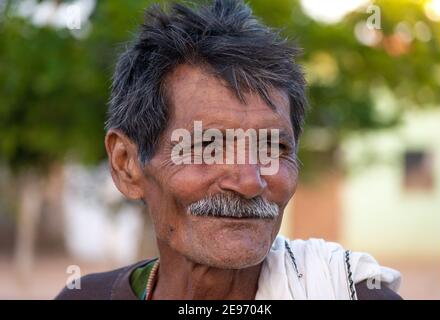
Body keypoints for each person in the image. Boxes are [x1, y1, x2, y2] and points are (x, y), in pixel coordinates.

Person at [56, 0, 401, 300]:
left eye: (272, 147)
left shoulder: (347, 292)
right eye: (207, 146)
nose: (249, 182)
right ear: (127, 164)